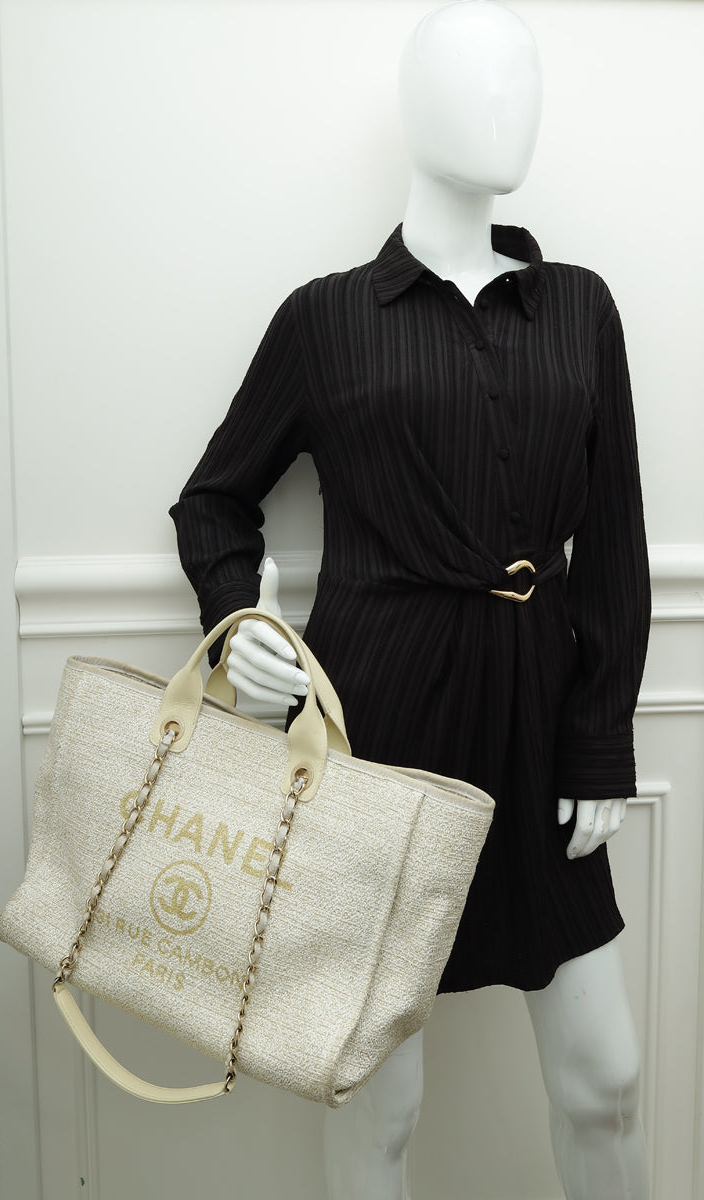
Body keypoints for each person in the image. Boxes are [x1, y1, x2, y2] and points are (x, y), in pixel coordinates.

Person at [169, 3, 651, 1196]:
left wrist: (600, 739)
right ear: (414, 103)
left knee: (607, 1079)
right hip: (372, 735)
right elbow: (214, 502)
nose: (510, 105)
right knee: (377, 1097)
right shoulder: (327, 319)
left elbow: (617, 544)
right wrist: (241, 631)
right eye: (478, 79)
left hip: (542, 729)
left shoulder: (580, 307)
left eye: (524, 79)